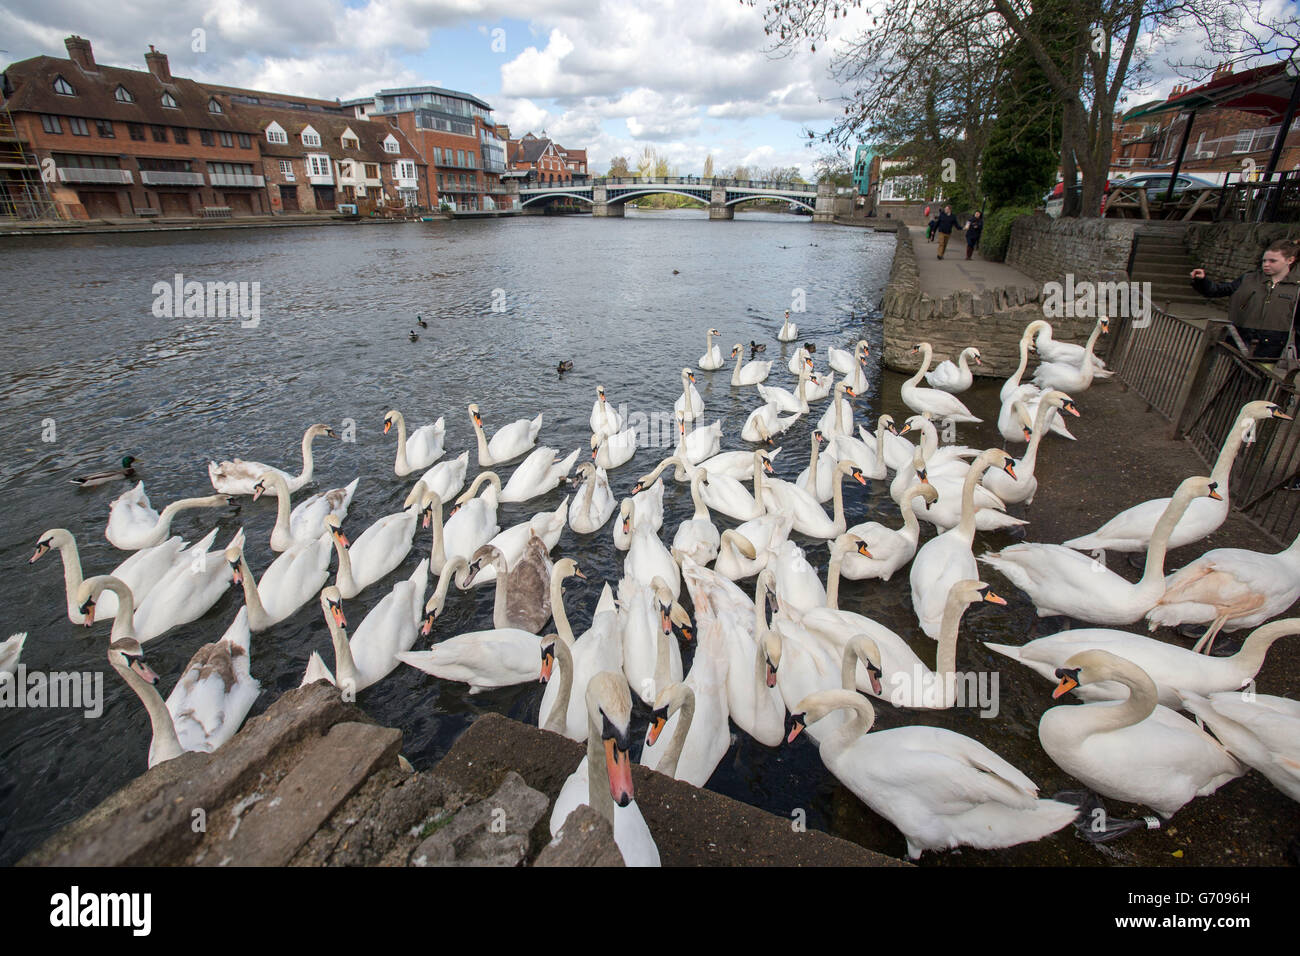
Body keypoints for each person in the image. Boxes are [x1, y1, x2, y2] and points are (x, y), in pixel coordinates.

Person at [1189, 239, 1300, 376]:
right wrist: (1202, 281)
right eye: (1264, 260)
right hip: (1241, 339)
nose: (1266, 264)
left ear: (1290, 260)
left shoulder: (1297, 288)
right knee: (1232, 379)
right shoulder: (1248, 279)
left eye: (1272, 261)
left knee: (1258, 382)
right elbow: (1217, 290)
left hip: (1272, 345)